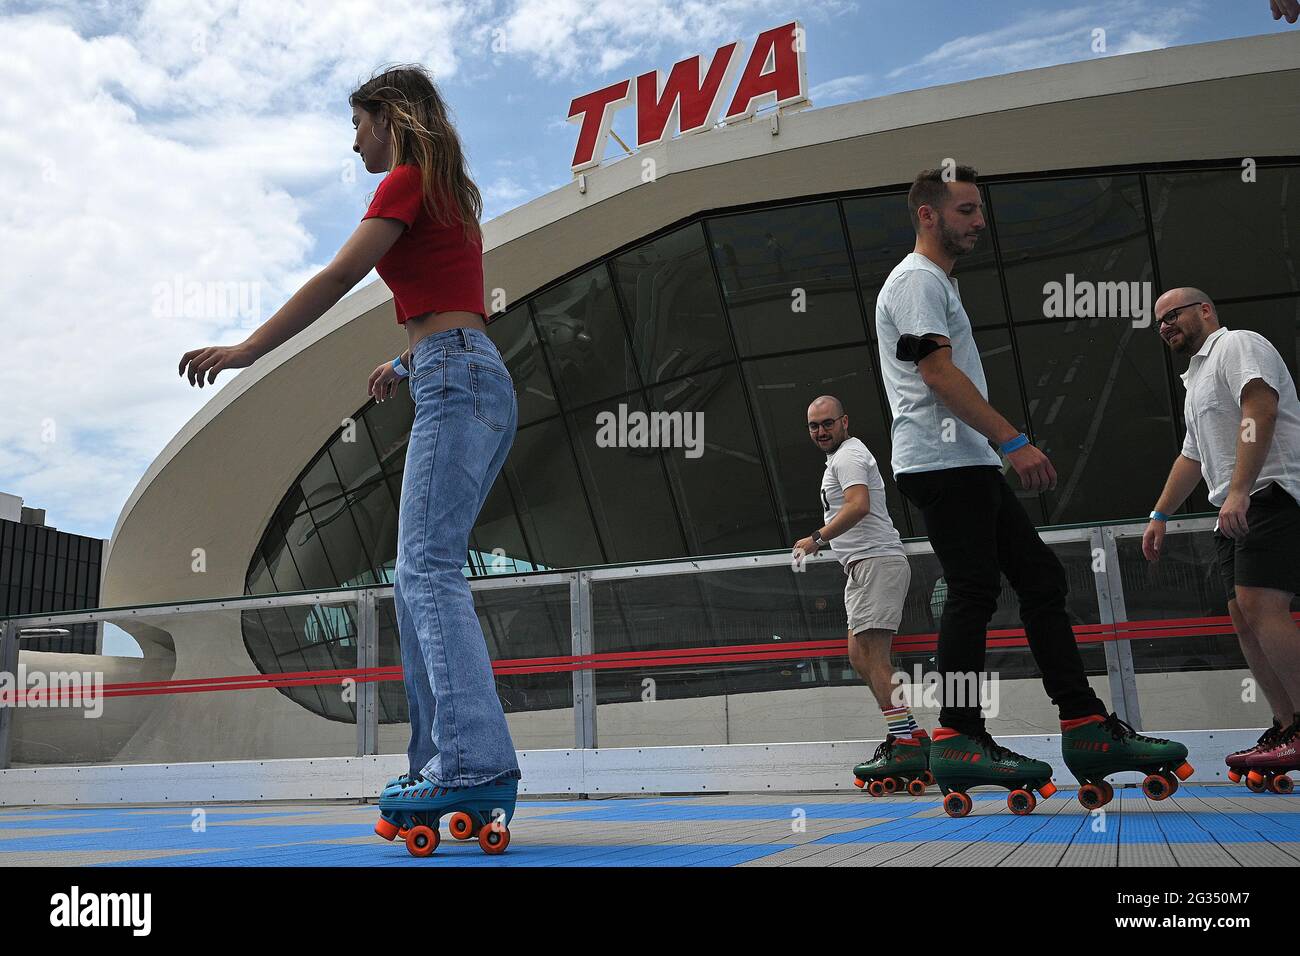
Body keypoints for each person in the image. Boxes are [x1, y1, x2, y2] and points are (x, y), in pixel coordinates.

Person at [178, 65, 521, 854]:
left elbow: (339, 276)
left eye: (358, 122)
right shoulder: (448, 195)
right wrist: (404, 364)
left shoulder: (406, 179)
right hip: (470, 372)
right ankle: (444, 760)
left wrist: (247, 350)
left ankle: (472, 761)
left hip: (457, 374)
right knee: (421, 575)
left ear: (390, 117)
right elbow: (455, 299)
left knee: (427, 572)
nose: (354, 138)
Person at [874, 165, 1189, 817]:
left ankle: (1085, 727)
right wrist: (1013, 441)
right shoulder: (915, 282)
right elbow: (937, 374)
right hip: (942, 460)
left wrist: (993, 450)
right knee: (973, 588)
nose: (979, 221)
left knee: (1041, 580)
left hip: (964, 460)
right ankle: (958, 734)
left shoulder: (935, 284)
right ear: (927, 215)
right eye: (965, 210)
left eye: (979, 210)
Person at [1144, 289, 1300, 792]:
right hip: (1235, 507)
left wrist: (1239, 490)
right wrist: (1160, 513)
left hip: (1270, 492)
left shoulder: (1238, 346)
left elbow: (1262, 408)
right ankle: (1287, 727)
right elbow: (1192, 457)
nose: (1166, 325)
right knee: (1241, 614)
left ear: (1205, 310)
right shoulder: (1194, 381)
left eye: (1174, 315)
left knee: (1259, 604)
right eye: (1159, 322)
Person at [792, 396, 930, 796]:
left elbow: (859, 504)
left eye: (827, 423)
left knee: (873, 656)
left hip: (876, 562)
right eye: (814, 426)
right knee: (858, 656)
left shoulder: (849, 455)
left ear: (844, 422)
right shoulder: (838, 458)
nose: (820, 431)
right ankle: (912, 734)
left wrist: (818, 538)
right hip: (862, 567)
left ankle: (903, 742)